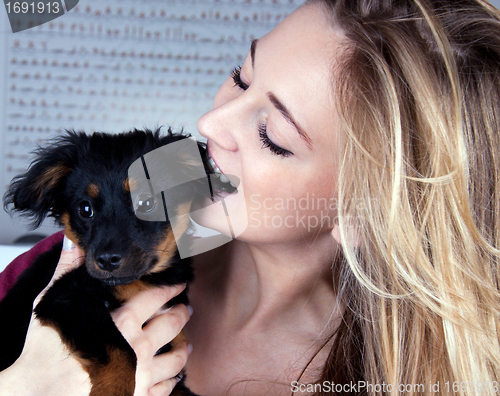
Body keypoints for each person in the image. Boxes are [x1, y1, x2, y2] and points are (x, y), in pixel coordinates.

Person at [1, 0, 500, 394]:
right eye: (241, 76)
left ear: (367, 213)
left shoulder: (406, 376)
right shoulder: (77, 259)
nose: (209, 124)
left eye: (273, 137)